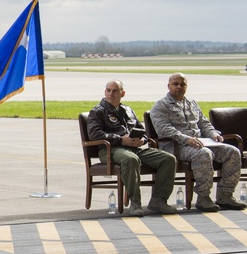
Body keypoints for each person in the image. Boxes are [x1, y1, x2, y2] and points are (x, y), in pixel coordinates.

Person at [149, 72, 246, 212]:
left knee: (232, 152)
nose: (179, 87)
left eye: (182, 84)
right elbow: (164, 129)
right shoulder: (160, 106)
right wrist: (186, 139)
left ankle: (225, 195)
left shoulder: (192, 104)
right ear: (168, 86)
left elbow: (204, 123)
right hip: (175, 146)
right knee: (204, 154)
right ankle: (203, 197)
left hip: (199, 142)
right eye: (175, 84)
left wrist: (213, 134)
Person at [88, 80, 178, 216]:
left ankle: (159, 200)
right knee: (131, 159)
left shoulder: (128, 110)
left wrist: (142, 140)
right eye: (108, 90)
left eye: (115, 91)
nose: (111, 93)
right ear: (105, 92)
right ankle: (135, 202)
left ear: (122, 93)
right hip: (111, 150)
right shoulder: (98, 112)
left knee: (168, 159)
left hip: (134, 148)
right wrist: (120, 139)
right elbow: (94, 134)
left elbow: (142, 131)